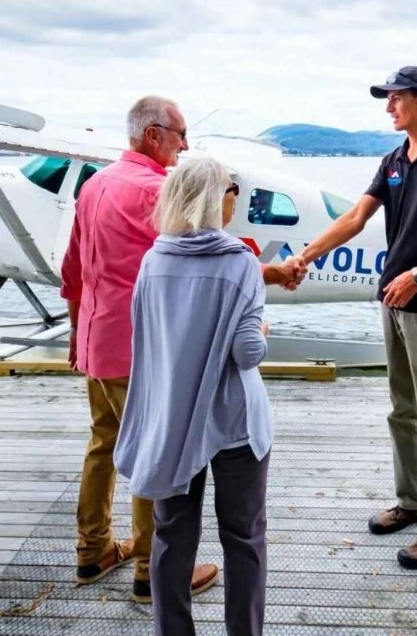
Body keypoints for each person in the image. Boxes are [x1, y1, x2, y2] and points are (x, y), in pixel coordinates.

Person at [60, 96, 304, 604]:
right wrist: (271, 274)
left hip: (95, 338)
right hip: (140, 348)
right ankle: (153, 570)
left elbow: (73, 267)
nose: (185, 146)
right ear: (154, 135)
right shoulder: (159, 190)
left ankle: (93, 551)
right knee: (156, 447)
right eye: (180, 134)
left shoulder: (93, 185)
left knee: (104, 443)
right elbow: (201, 264)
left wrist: (74, 330)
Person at [289, 66, 417, 569]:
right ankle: (412, 501)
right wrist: (306, 256)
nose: (388, 107)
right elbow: (355, 218)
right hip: (394, 304)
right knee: (403, 409)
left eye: (396, 98)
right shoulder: (394, 160)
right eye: (387, 99)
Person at [116, 157, 272, 636]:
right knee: (244, 539)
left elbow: (148, 342)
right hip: (233, 424)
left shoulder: (153, 262)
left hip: (173, 426)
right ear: (216, 197)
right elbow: (247, 353)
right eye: (234, 187)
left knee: (170, 542)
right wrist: (261, 323)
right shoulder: (241, 264)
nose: (237, 197)